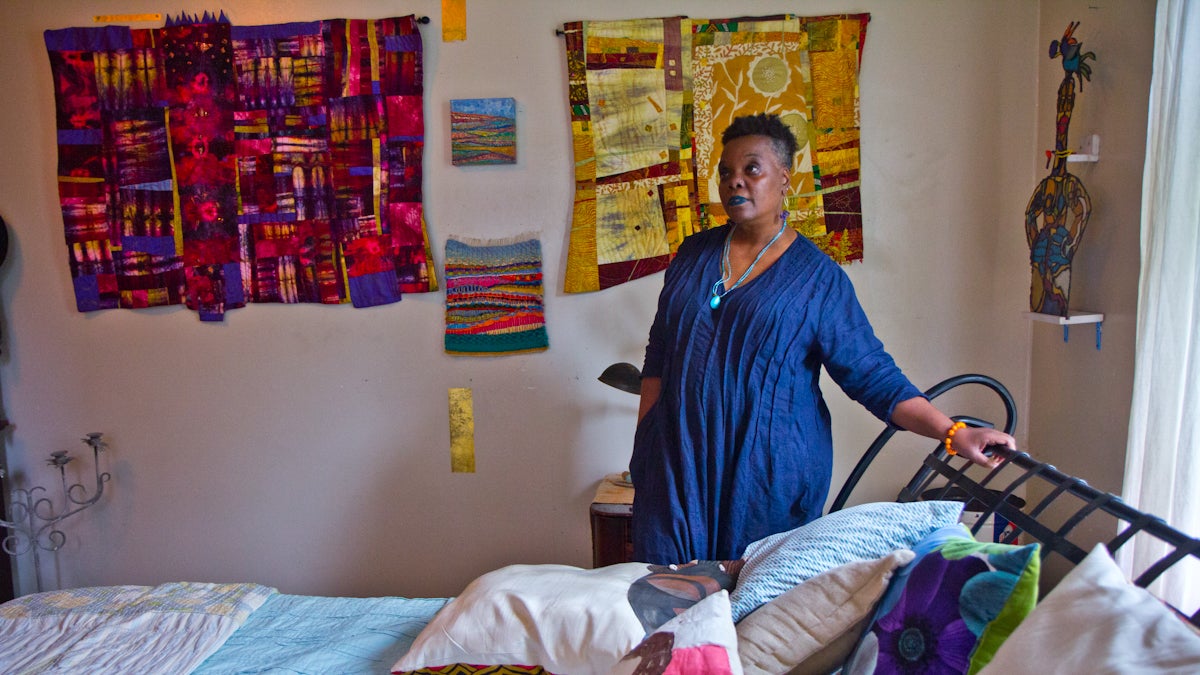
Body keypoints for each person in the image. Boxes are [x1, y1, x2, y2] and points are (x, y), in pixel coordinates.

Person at [630, 113, 1016, 565]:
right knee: (663, 595)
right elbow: (658, 356)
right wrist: (646, 441)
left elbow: (873, 377)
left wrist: (954, 433)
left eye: (752, 169)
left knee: (752, 611)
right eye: (726, 171)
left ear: (784, 180)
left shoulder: (818, 280)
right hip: (678, 465)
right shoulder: (692, 255)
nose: (736, 181)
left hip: (764, 476)